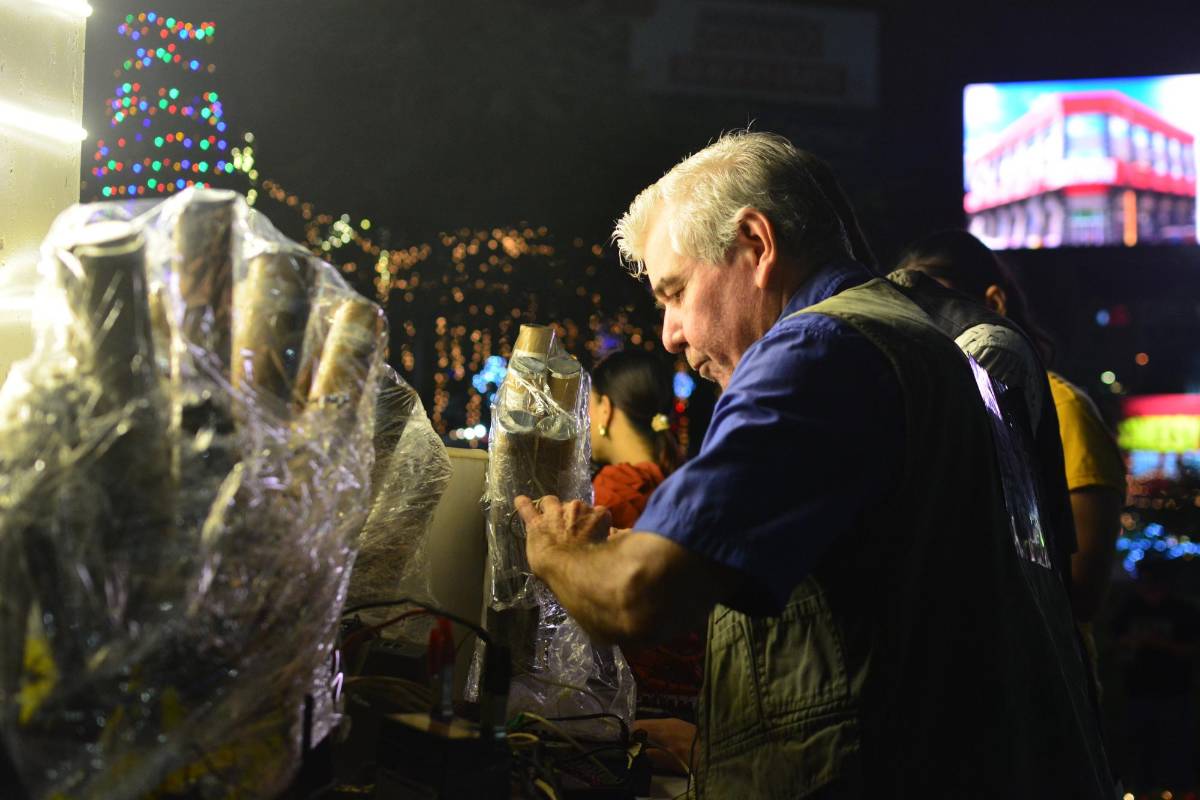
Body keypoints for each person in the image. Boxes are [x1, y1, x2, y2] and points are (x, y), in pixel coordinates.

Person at [515, 130, 1113, 796]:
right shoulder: (925, 348)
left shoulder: (819, 348)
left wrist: (553, 550)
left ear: (756, 245)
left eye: (676, 291)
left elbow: (639, 597)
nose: (670, 334)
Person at [896, 230, 1126, 623]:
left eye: (940, 309)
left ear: (993, 304)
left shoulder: (1064, 409)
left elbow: (1081, 590)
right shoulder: (929, 409)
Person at [1111, 558, 1200, 790]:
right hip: (1137, 691)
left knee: (1173, 750)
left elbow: (1190, 649)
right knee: (1138, 750)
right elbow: (1116, 642)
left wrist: (1157, 643)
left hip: (1173, 693)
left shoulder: (1182, 611)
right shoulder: (1130, 608)